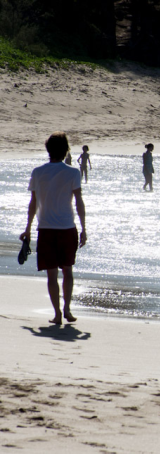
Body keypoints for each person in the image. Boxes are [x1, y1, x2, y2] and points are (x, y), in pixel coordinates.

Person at [19, 132, 87, 325]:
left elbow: (33, 203)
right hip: (67, 228)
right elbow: (79, 202)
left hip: (46, 228)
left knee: (51, 274)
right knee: (67, 270)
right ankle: (66, 309)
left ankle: (57, 313)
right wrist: (83, 228)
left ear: (48, 150)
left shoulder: (38, 172)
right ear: (66, 150)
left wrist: (28, 228)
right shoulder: (73, 172)